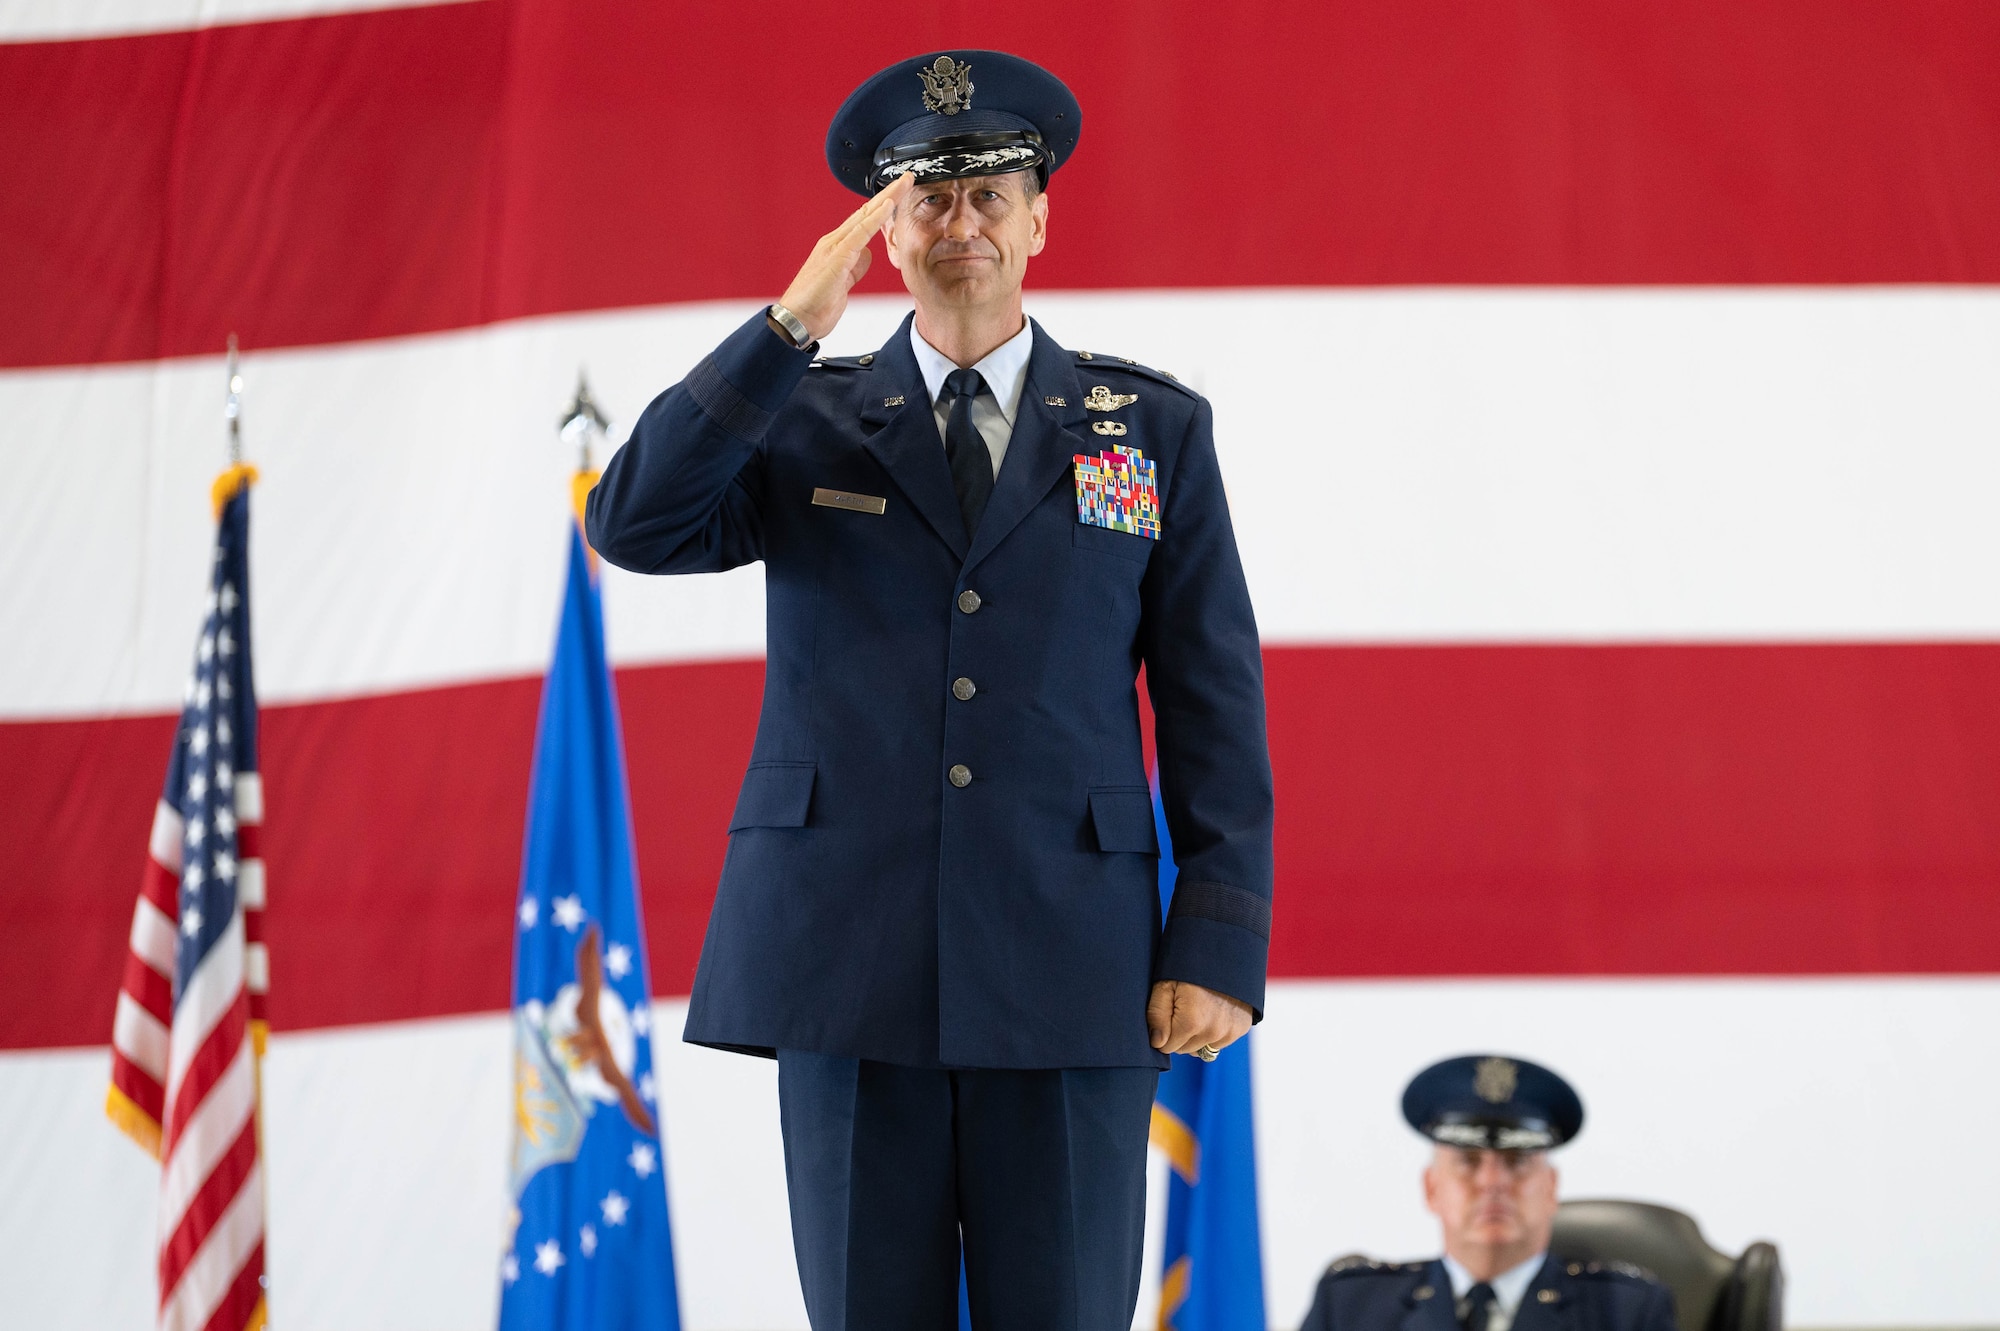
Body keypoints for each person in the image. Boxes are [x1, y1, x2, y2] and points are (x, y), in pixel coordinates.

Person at [586, 49, 1274, 1331]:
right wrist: (788, 326)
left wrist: (1219, 939)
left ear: (1039, 220)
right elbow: (632, 523)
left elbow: (1210, 698)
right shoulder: (797, 416)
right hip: (845, 957)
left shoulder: (1150, 431)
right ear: (881, 233)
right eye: (929, 202)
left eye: (991, 197)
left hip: (1071, 961)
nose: (963, 226)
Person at [1301, 1055, 1678, 1331]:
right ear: (1431, 1188)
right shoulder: (1351, 1307)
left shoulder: (1629, 1312)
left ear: (1550, 1189)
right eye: (1468, 1161)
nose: (1493, 1182)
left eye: (1517, 1161)